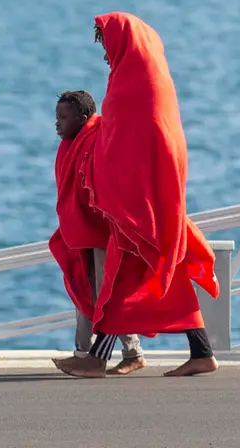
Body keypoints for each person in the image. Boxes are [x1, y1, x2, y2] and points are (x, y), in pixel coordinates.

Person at [49, 12, 220, 379]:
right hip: (152, 200)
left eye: (108, 47)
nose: (107, 56)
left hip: (137, 206)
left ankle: (95, 359)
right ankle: (201, 352)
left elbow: (122, 149)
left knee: (120, 282)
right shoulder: (153, 82)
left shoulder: (131, 89)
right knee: (164, 280)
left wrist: (115, 199)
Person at [52, 91, 148, 376]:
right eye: (56, 116)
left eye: (63, 117)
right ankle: (87, 352)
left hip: (103, 231)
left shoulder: (98, 140)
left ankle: (122, 353)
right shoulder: (72, 144)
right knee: (84, 290)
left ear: (82, 119)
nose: (57, 123)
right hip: (81, 230)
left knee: (106, 294)